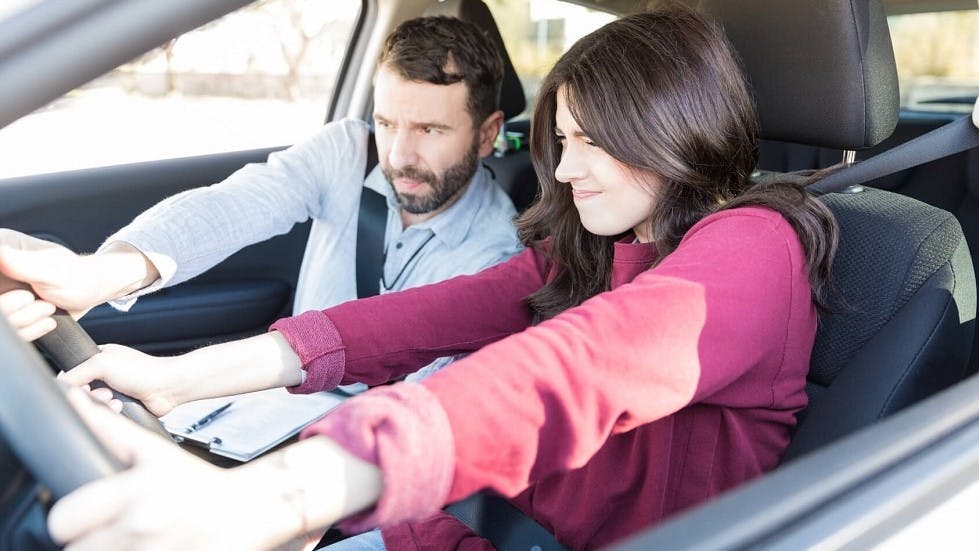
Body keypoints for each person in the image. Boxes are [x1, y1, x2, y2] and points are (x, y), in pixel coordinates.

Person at [46, 5, 839, 551]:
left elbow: (567, 371)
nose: (563, 169)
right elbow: (408, 322)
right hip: (478, 527)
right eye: (560, 139)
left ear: (667, 130)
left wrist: (278, 496)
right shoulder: (597, 249)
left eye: (592, 142)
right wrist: (171, 377)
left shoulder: (754, 248)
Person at [0, 15, 522, 388]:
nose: (400, 154)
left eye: (430, 129)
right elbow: (232, 206)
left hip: (351, 458)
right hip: (263, 411)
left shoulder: (498, 257)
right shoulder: (348, 151)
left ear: (486, 134)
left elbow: (424, 407)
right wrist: (103, 274)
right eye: (387, 123)